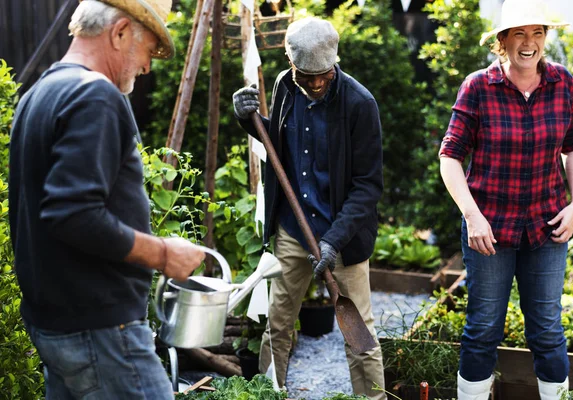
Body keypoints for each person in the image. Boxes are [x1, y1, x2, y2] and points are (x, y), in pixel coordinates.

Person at [9, 0, 207, 398]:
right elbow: (73, 214)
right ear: (119, 32)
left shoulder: (38, 94)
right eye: (149, 49)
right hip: (100, 330)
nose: (148, 66)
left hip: (54, 324)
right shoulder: (94, 95)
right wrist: (165, 254)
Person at [438, 0, 573, 399]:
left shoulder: (562, 83)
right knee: (484, 327)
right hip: (490, 231)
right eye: (519, 33)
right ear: (502, 41)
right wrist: (472, 216)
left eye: (537, 32)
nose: (529, 42)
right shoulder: (478, 87)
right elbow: (450, 156)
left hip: (547, 226)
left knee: (548, 329)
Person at [232, 17, 386, 399]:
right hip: (292, 228)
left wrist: (333, 241)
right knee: (278, 325)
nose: (316, 83)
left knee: (359, 333)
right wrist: (247, 120)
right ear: (290, 62)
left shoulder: (359, 104)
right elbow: (280, 148)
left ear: (335, 62)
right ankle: (267, 393)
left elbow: (368, 186)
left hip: (341, 235)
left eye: (323, 75)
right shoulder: (286, 86)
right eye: (306, 75)